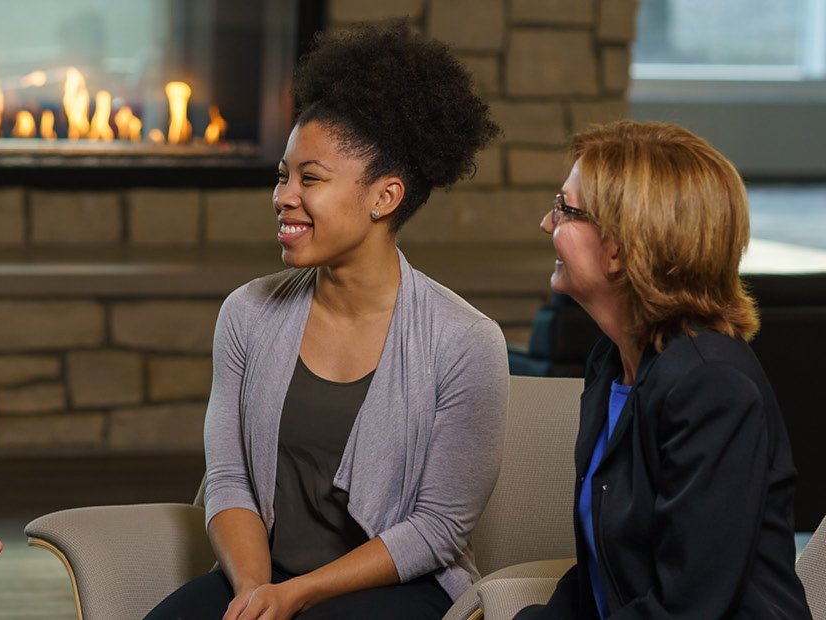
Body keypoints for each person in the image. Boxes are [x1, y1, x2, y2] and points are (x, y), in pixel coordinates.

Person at [145, 20, 507, 620]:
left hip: (397, 589)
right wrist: (257, 592)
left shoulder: (465, 342)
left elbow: (438, 529)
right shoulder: (247, 314)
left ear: (383, 198)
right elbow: (229, 478)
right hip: (267, 577)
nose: (284, 196)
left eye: (310, 179)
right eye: (283, 174)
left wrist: (298, 596)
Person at [516, 121, 811, 619]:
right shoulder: (612, 363)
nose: (548, 223)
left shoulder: (712, 385)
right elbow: (607, 570)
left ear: (621, 249)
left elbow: (688, 607)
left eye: (565, 208)